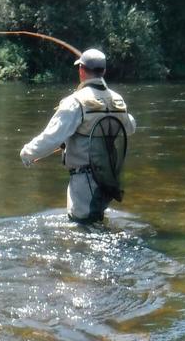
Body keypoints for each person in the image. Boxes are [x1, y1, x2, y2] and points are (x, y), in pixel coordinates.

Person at [19, 48, 136, 223]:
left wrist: (27, 153)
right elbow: (130, 127)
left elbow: (51, 137)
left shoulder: (75, 102)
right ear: (103, 71)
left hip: (84, 181)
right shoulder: (117, 100)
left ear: (81, 70)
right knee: (97, 221)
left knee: (81, 227)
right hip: (108, 177)